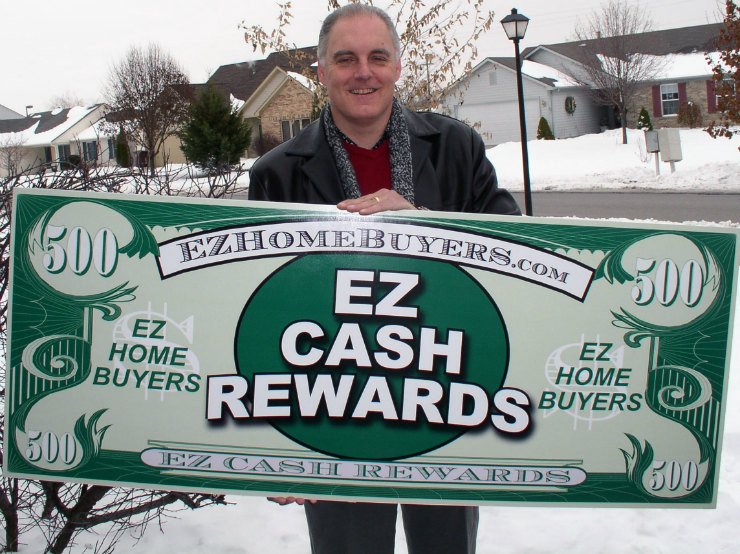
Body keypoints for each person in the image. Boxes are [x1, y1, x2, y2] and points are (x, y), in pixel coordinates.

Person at [248, 4, 520, 553]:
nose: (363, 73)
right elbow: (258, 309)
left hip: (446, 398)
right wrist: (273, 447)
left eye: (377, 57)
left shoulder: (457, 148)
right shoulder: (276, 172)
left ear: (397, 65)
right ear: (321, 72)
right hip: (329, 413)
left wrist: (421, 225)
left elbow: (512, 258)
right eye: (345, 59)